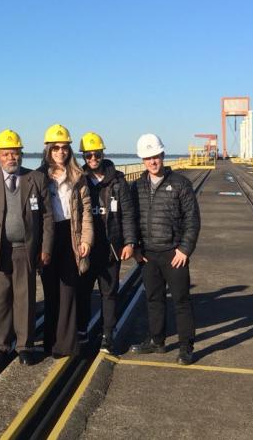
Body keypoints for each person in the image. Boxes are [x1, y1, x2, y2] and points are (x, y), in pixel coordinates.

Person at [0, 129, 53, 366]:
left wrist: (45, 247)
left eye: (15, 153)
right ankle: (0, 345)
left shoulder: (36, 179)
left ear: (21, 154)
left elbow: (47, 217)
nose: (11, 158)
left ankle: (25, 346)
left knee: (25, 298)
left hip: (25, 250)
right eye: (6, 153)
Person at [129, 133, 201, 365]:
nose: (152, 162)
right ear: (143, 160)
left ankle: (186, 346)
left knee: (181, 299)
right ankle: (157, 341)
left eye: (156, 156)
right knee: (153, 299)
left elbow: (192, 219)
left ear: (163, 155)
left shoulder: (180, 184)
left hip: (174, 253)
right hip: (148, 254)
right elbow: (131, 219)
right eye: (148, 158)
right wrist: (137, 249)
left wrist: (185, 249)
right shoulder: (137, 186)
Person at [77, 132, 137, 353]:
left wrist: (129, 242)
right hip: (87, 248)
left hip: (111, 247)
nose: (93, 158)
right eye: (88, 155)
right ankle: (81, 331)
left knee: (109, 293)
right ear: (83, 156)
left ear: (103, 153)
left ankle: (107, 334)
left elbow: (128, 215)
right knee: (82, 292)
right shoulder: (79, 180)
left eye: (96, 154)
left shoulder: (118, 181)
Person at [37, 124, 93, 358]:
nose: (60, 152)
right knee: (51, 293)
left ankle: (67, 345)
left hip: (72, 235)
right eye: (56, 148)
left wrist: (86, 242)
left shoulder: (78, 177)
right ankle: (49, 342)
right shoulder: (38, 177)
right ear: (48, 149)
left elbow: (87, 212)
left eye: (65, 148)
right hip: (49, 238)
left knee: (69, 291)